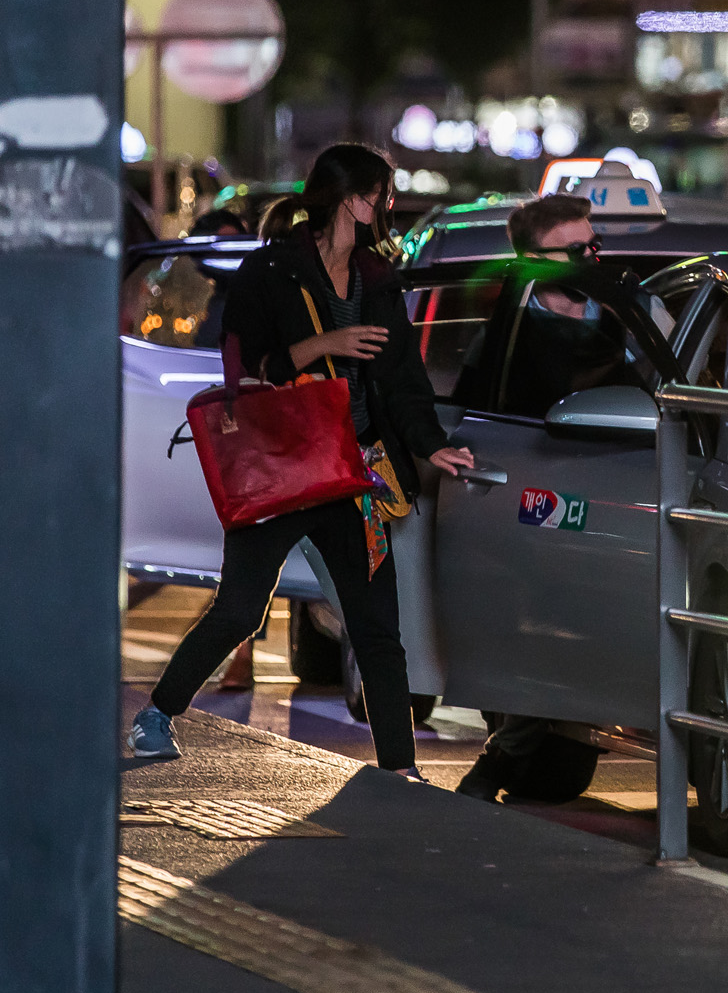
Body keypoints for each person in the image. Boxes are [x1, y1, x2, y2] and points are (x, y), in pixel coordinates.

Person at [128, 143, 477, 777]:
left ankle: (399, 767)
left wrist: (430, 445)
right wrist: (327, 344)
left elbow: (402, 378)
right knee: (238, 610)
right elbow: (248, 367)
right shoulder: (273, 270)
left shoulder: (377, 277)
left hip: (353, 470)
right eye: (383, 194)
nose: (388, 206)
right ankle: (157, 713)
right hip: (283, 465)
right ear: (353, 199)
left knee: (376, 628)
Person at [453, 193, 607, 802]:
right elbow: (472, 413)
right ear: (536, 259)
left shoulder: (628, 315)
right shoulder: (508, 331)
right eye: (576, 249)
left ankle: (506, 754)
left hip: (610, 503)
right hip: (528, 502)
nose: (591, 259)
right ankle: (507, 746)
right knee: (508, 626)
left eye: (594, 245)